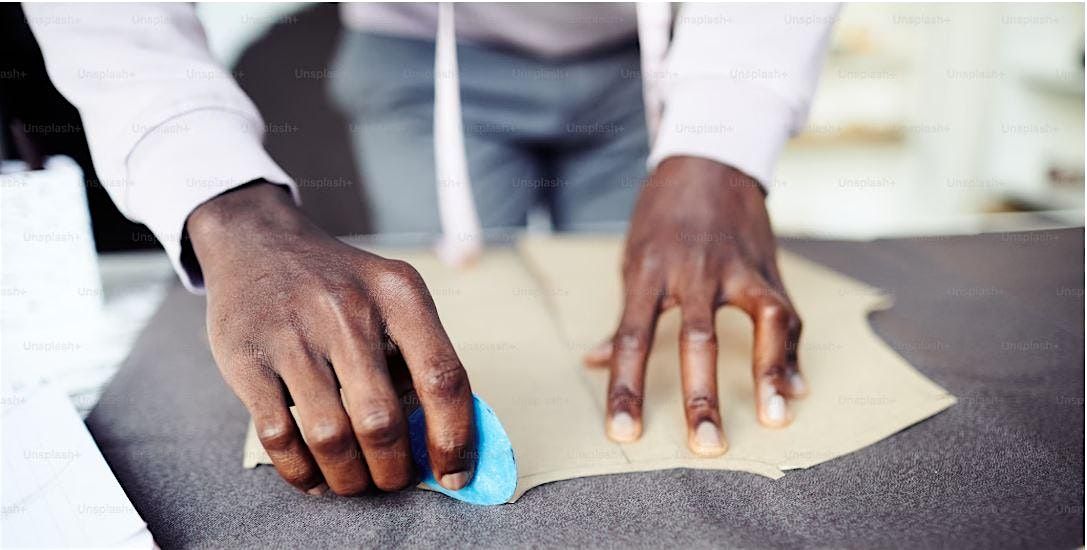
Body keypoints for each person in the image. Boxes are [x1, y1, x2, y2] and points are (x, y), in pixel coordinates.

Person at [26, 2, 837, 497]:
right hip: (420, 56)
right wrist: (223, 201)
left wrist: (724, 138)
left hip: (654, 55)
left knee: (659, 301)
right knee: (424, 327)